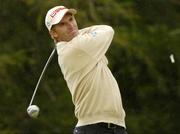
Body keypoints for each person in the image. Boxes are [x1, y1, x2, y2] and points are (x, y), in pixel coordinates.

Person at [45, 5, 127, 134]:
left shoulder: (81, 44)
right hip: (92, 128)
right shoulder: (76, 48)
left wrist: (75, 33)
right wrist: (78, 33)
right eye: (62, 24)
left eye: (71, 20)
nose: (70, 25)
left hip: (115, 127)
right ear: (53, 33)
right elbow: (107, 30)